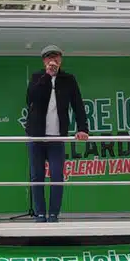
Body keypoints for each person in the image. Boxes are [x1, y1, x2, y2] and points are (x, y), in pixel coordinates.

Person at [24, 45, 90, 222]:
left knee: (57, 176)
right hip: (36, 136)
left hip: (57, 136)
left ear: (61, 59)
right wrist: (47, 76)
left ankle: (53, 214)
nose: (52, 60)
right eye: (49, 58)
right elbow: (30, 99)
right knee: (36, 176)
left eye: (56, 57)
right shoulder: (37, 77)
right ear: (44, 61)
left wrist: (83, 129)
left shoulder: (68, 79)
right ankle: (40, 214)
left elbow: (78, 105)